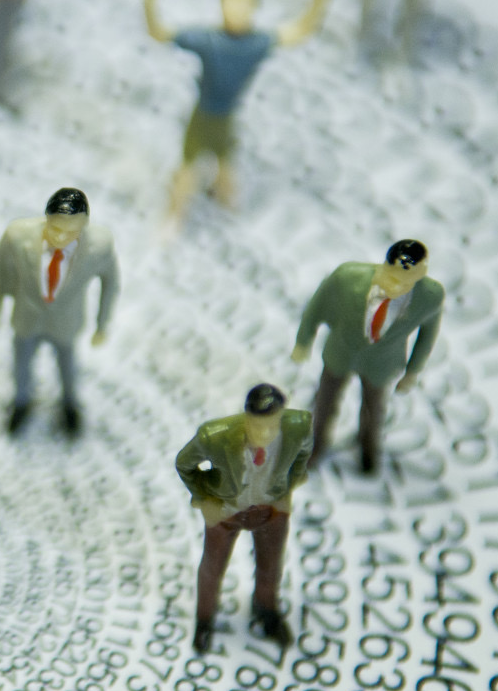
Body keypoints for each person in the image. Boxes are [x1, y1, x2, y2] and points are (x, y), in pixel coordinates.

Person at [143, 0, 338, 226]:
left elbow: (300, 31)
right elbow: (160, 34)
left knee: (227, 171)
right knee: (187, 171)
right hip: (202, 118)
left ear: (256, 5)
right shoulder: (208, 40)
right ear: (221, 0)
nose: (237, 7)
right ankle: (173, 220)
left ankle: (227, 214)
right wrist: (149, 7)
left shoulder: (256, 44)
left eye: (245, 0)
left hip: (227, 118)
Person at [175, 384, 313, 653]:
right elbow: (184, 464)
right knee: (213, 567)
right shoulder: (215, 436)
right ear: (247, 418)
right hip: (227, 510)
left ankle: (266, 609)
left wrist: (288, 484)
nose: (265, 433)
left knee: (271, 563)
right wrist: (206, 499)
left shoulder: (298, 427)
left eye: (271, 425)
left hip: (271, 508)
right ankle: (204, 620)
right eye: (257, 426)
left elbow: (304, 453)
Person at [292, 238, 443, 472]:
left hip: (382, 364)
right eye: (390, 274)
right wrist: (303, 340)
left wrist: (413, 371)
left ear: (420, 273)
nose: (393, 284)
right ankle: (316, 445)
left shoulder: (430, 297)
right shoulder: (348, 277)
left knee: (374, 411)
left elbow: (428, 335)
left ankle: (368, 451)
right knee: (325, 403)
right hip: (341, 352)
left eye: (403, 280)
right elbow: (317, 304)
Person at [0, 187, 119, 436]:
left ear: (84, 226)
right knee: (21, 364)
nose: (60, 237)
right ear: (46, 219)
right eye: (55, 228)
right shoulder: (18, 235)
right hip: (27, 317)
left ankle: (69, 404)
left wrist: (102, 324)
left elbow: (110, 284)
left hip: (66, 321)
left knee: (68, 367)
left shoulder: (99, 246)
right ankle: (22, 402)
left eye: (71, 231)